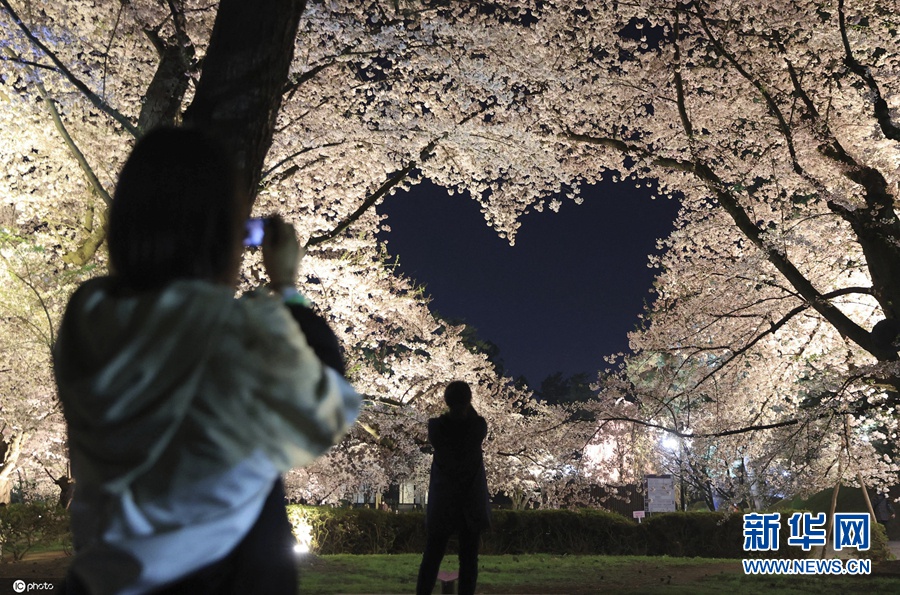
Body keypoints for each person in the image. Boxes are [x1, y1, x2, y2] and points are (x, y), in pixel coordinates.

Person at [53, 127, 360, 595]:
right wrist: (287, 291)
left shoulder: (85, 319)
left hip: (103, 575)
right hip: (224, 576)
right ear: (222, 234)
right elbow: (326, 406)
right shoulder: (238, 330)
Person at [416, 381, 491, 595]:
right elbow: (476, 420)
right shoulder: (477, 429)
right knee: (468, 561)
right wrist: (467, 406)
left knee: (431, 557)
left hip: (444, 501)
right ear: (469, 401)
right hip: (469, 502)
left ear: (446, 402)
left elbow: (444, 421)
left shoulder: (436, 429)